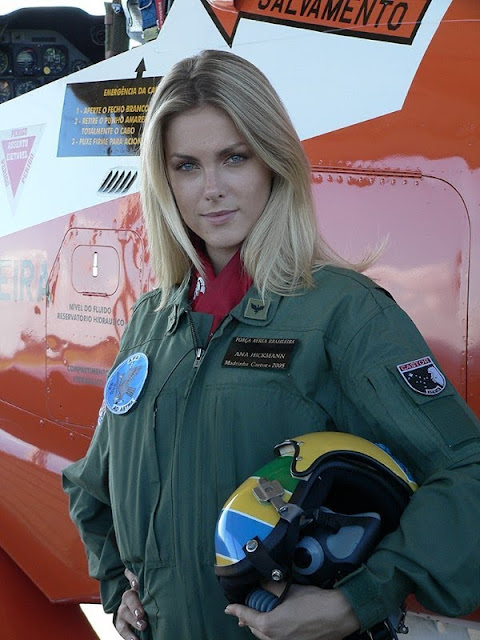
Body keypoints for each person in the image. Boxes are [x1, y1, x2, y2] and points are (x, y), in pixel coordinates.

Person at [62, 49, 480, 640]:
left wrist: (358, 600)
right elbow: (94, 484)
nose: (212, 189)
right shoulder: (151, 322)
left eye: (234, 157)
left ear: (273, 162)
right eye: (186, 166)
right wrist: (116, 585)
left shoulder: (343, 312)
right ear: (164, 180)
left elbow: (467, 470)